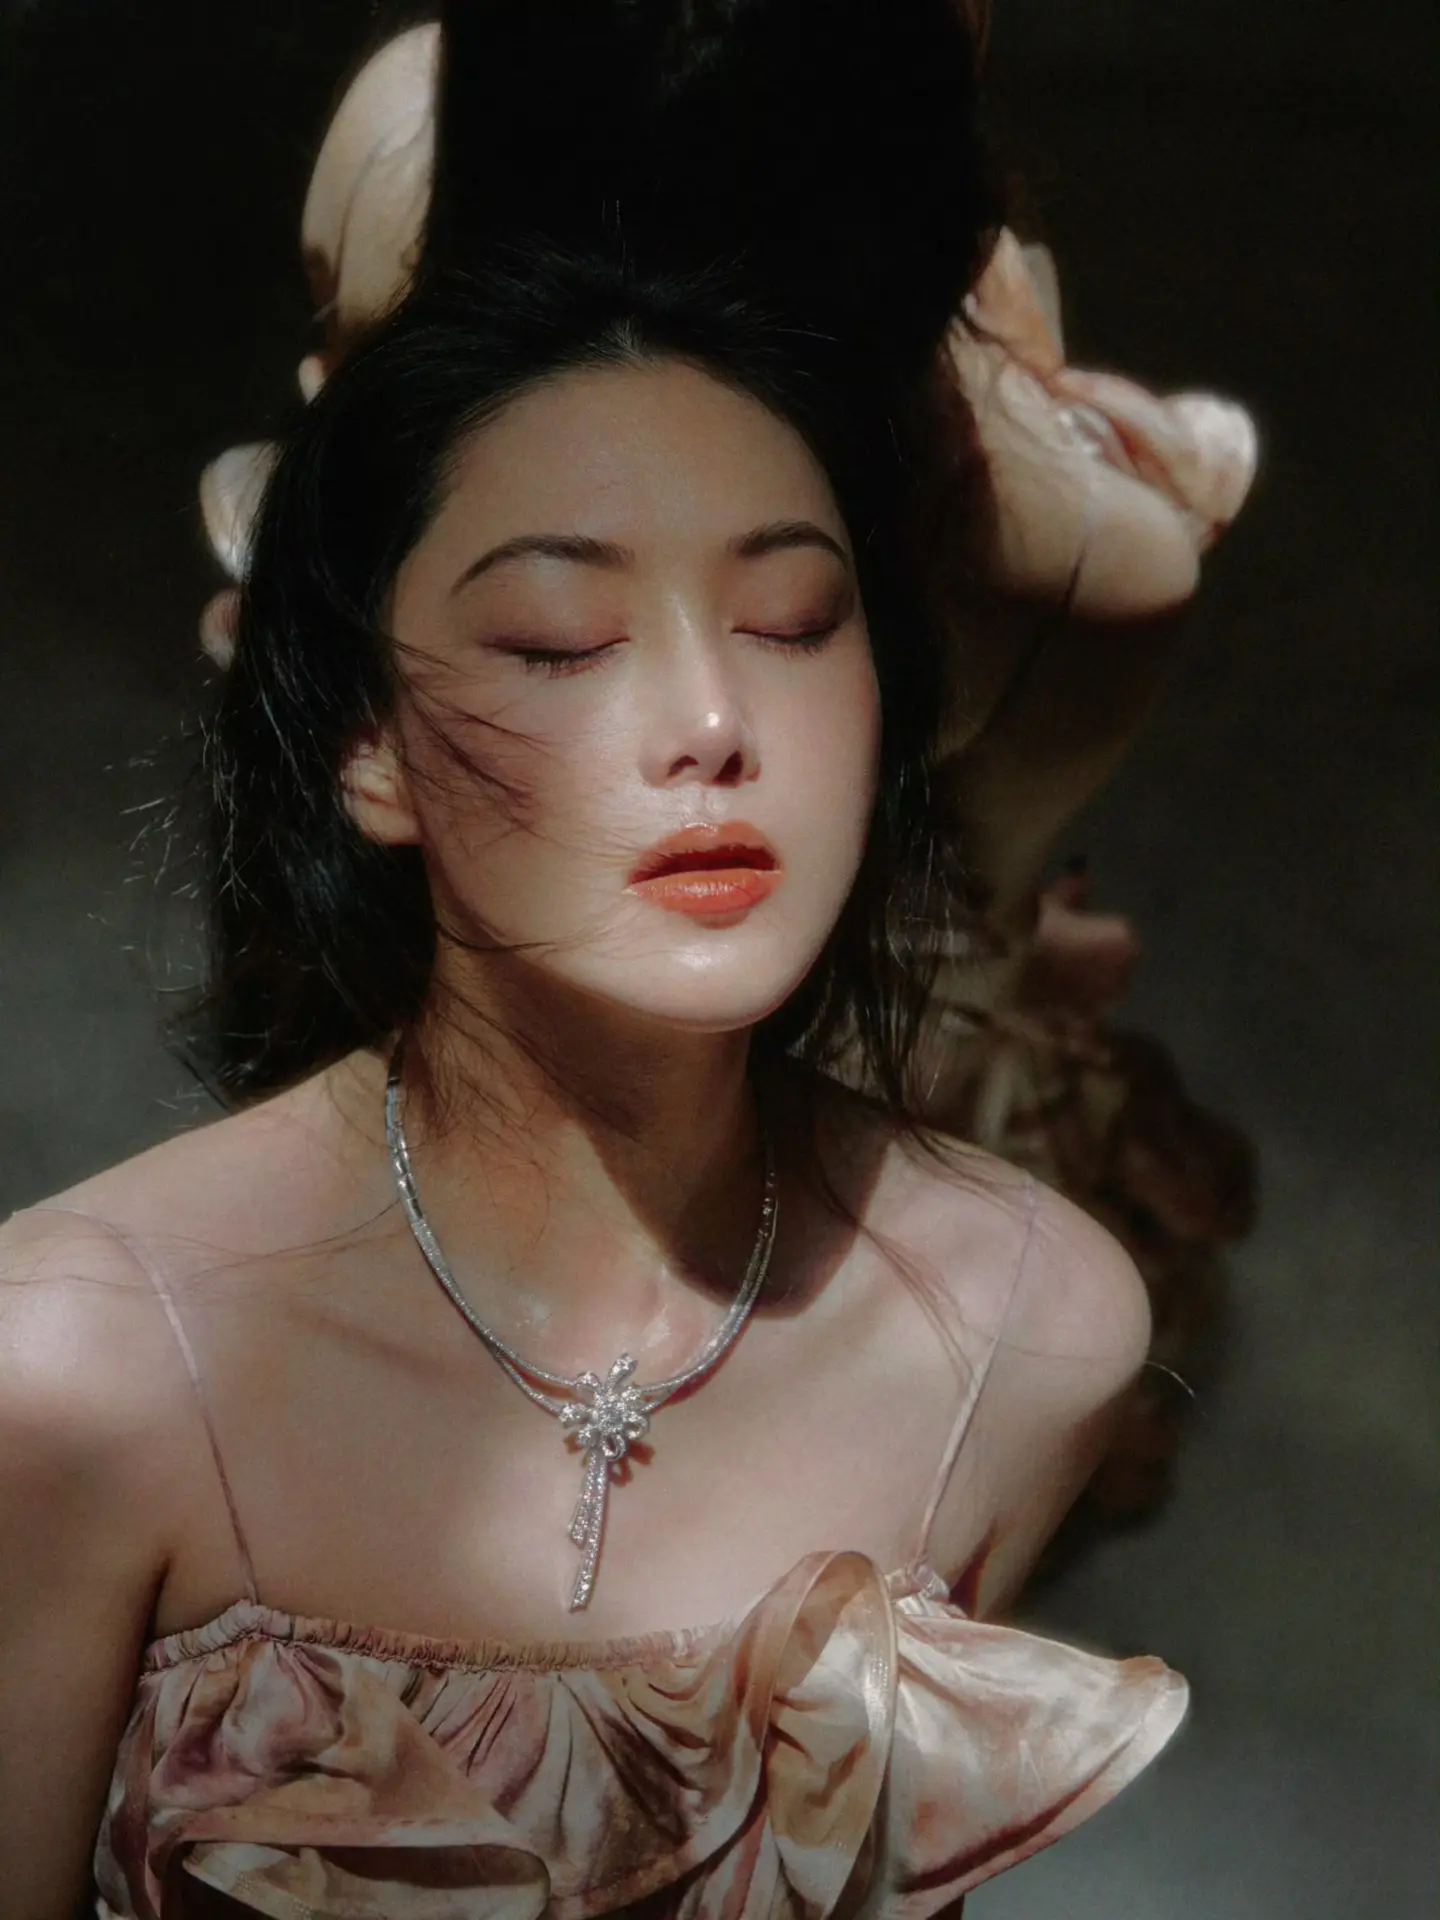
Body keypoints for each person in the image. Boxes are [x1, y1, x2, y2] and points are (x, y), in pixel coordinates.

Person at [1, 4, 1204, 1911]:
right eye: (561, 642)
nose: (712, 724)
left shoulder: (1030, 1330)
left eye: (795, 624)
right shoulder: (75, 1368)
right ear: (365, 743)